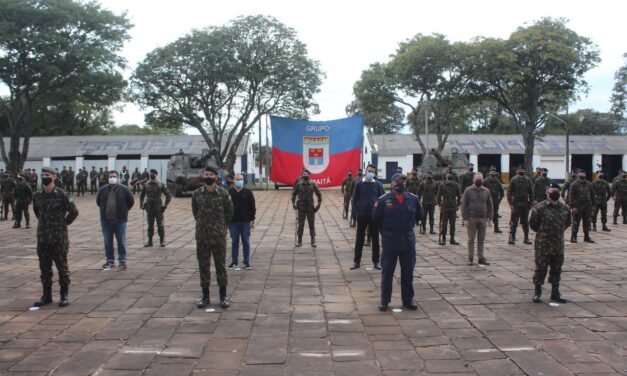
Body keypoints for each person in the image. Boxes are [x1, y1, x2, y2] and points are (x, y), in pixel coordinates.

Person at [373, 173, 422, 311]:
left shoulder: (412, 199)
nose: (400, 184)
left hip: (407, 242)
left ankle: (408, 300)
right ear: (392, 183)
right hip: (390, 242)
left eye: (403, 181)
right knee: (387, 273)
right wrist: (386, 232)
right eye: (398, 181)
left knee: (408, 273)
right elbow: (376, 219)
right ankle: (384, 300)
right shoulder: (383, 200)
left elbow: (419, 215)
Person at [32, 167, 79, 307]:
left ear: (54, 177)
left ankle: (64, 296)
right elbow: (37, 212)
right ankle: (46, 296)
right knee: (44, 268)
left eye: (47, 175)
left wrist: (63, 223)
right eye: (43, 175)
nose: (44, 177)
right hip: (43, 238)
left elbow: (74, 212)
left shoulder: (62, 194)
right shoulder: (37, 195)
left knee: (62, 268)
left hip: (59, 238)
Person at [192, 166, 234, 309]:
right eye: (206, 174)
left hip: (218, 237)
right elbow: (195, 212)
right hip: (202, 236)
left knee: (220, 266)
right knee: (203, 267)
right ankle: (205, 296)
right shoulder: (197, 194)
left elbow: (230, 212)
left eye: (211, 174)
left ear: (216, 177)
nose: (208, 176)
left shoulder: (223, 193)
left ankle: (223, 296)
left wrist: (221, 227)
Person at [529, 183, 571, 303]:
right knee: (541, 268)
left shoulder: (564, 208)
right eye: (552, 191)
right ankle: (537, 292)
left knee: (556, 269)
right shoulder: (539, 208)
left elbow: (567, 223)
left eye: (556, 191)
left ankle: (555, 292)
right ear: (547, 193)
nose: (554, 193)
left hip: (558, 244)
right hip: (543, 244)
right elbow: (533, 224)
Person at [96, 170, 134, 270]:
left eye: (114, 176)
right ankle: (110, 260)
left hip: (120, 220)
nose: (112, 178)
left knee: (121, 241)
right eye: (110, 176)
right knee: (107, 242)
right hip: (106, 220)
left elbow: (131, 201)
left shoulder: (124, 189)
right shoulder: (103, 189)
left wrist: (124, 211)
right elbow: (98, 202)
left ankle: (122, 261)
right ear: (107, 178)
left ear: (117, 177)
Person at [351, 164, 385, 270]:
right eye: (369, 170)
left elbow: (382, 199)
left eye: (372, 171)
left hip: (374, 217)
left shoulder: (378, 185)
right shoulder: (359, 184)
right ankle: (356, 261)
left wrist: (380, 214)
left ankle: (376, 261)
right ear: (366, 171)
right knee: (359, 239)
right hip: (362, 216)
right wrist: (357, 213)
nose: (370, 173)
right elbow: (354, 200)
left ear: (374, 173)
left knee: (375, 240)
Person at [461, 173, 493, 266]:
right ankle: (470, 258)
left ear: (483, 180)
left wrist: (490, 218)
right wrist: (465, 218)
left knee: (481, 239)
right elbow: (464, 205)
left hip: (483, 218)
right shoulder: (468, 190)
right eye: (477, 178)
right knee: (471, 239)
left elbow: (490, 205)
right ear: (473, 179)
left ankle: (481, 257)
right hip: (471, 218)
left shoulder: (486, 191)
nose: (479, 180)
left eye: (480, 178)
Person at [227, 174, 256, 270]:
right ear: (233, 181)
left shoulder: (248, 192)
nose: (239, 181)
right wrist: (227, 222)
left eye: (241, 179)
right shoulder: (229, 193)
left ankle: (246, 262)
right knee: (234, 242)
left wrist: (252, 220)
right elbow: (225, 208)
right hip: (233, 222)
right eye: (237, 179)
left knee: (246, 242)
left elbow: (252, 207)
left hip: (245, 222)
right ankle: (234, 262)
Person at [140, 169, 171, 247]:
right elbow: (142, 195)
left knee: (160, 224)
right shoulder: (146, 184)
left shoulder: (160, 184)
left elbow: (168, 195)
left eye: (153, 173)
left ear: (156, 174)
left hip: (158, 207)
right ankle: (150, 241)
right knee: (150, 224)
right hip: (149, 207)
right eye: (151, 173)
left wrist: (165, 205)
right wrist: (141, 204)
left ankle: (162, 240)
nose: (152, 174)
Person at [291, 169, 322, 247]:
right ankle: (299, 241)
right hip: (301, 207)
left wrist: (318, 204)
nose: (305, 175)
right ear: (302, 175)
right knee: (301, 224)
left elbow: (319, 194)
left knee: (311, 224)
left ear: (309, 175)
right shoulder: (298, 184)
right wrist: (293, 203)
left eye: (306, 174)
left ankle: (313, 241)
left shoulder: (312, 184)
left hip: (310, 207)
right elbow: (294, 194)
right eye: (304, 174)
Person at [507, 165, 533, 245]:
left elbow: (531, 192)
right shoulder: (514, 179)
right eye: (520, 169)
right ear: (517, 171)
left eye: (523, 170)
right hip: (516, 204)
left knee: (525, 222)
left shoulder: (528, 180)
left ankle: (526, 237)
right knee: (514, 221)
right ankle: (512, 237)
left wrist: (530, 203)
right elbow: (509, 192)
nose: (521, 171)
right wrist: (510, 203)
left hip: (525, 204)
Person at [568, 169, 594, 243]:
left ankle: (586, 236)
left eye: (584, 174)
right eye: (581, 174)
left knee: (587, 222)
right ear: (578, 174)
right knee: (576, 222)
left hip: (587, 206)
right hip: (578, 207)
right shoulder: (574, 184)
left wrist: (593, 205)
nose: (583, 175)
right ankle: (574, 237)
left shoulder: (589, 184)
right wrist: (572, 207)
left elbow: (592, 195)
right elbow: (571, 196)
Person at [437, 171, 461, 245]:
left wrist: (457, 205)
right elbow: (438, 196)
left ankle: (452, 239)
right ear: (445, 176)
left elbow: (459, 196)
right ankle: (443, 239)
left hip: (453, 206)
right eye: (448, 174)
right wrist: (440, 205)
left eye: (451, 174)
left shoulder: (456, 185)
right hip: (445, 206)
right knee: (444, 223)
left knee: (453, 224)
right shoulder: (442, 185)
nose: (449, 175)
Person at [483, 168, 505, 233]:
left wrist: (500, 199)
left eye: (494, 171)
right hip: (487, 201)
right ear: (489, 173)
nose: (493, 173)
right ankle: (482, 228)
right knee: (485, 214)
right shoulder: (486, 181)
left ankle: (496, 228)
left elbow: (501, 191)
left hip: (495, 201)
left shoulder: (497, 181)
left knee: (495, 214)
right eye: (491, 171)